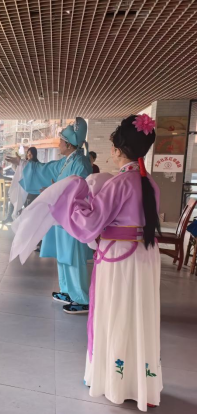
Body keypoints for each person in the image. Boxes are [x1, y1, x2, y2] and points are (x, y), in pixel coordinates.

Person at [11, 114, 162, 411]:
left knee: (117, 313)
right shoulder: (150, 183)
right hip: (144, 257)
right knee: (139, 314)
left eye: (113, 148)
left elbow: (90, 222)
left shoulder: (120, 183)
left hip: (120, 258)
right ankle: (140, 380)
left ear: (118, 150)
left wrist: (73, 198)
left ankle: (115, 381)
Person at [9, 118, 93, 313]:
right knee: (63, 255)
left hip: (72, 216)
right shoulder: (66, 162)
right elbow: (44, 170)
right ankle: (68, 291)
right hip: (61, 215)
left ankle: (82, 298)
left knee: (73, 257)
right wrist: (22, 164)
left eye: (61, 141)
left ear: (69, 144)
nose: (59, 144)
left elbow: (81, 191)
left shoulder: (80, 163)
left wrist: (55, 191)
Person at [3, 147, 39, 225]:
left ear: (34, 155)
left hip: (31, 190)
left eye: (30, 154)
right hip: (24, 187)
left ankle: (24, 220)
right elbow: (19, 171)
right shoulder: (25, 163)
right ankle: (10, 216)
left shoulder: (36, 164)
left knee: (22, 199)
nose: (29, 156)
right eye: (28, 154)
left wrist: (21, 162)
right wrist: (18, 163)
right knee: (15, 195)